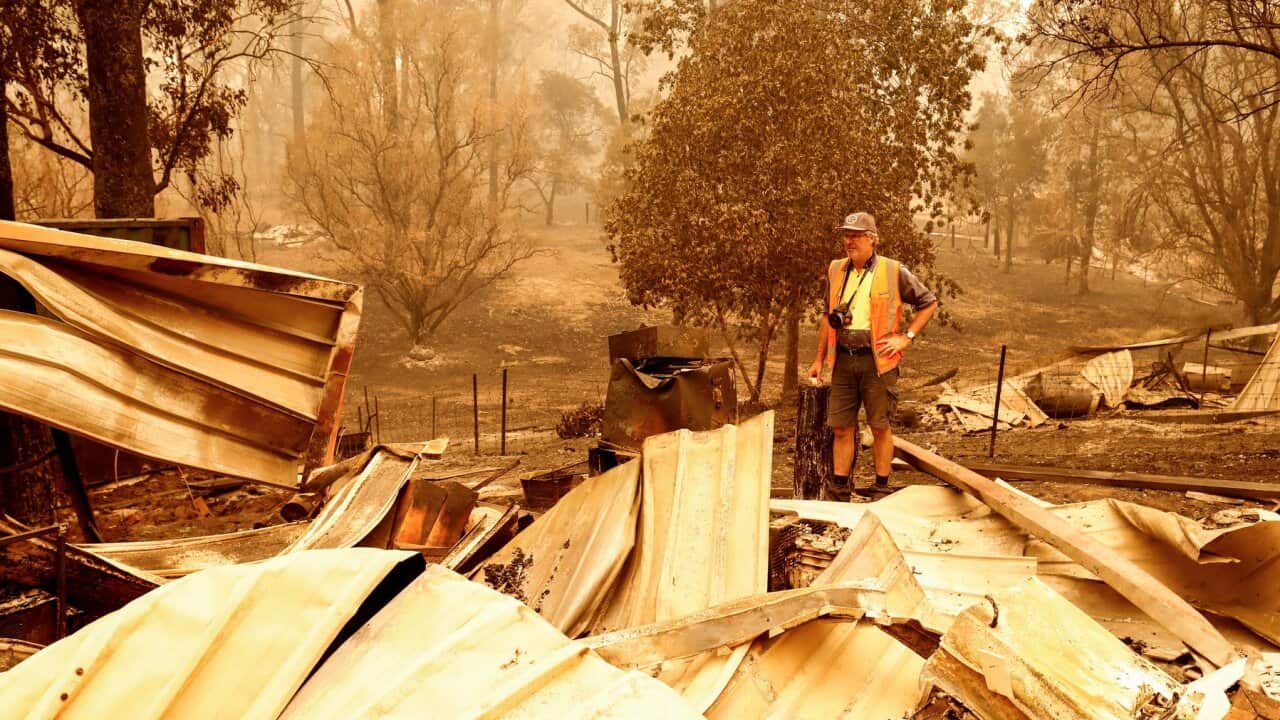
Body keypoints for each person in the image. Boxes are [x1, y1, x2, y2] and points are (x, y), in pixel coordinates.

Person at [806, 211, 938, 500]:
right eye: (846, 235)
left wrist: (907, 337)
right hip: (843, 359)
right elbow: (827, 317)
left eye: (856, 235)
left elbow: (928, 303)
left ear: (872, 239)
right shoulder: (835, 269)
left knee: (879, 426)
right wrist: (818, 360)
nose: (849, 241)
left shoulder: (893, 271)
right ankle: (840, 488)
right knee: (841, 427)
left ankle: (881, 486)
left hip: (878, 361)